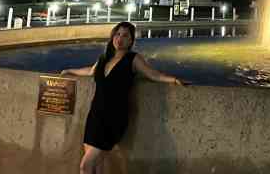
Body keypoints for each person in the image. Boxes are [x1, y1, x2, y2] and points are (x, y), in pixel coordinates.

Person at [60, 21, 184, 174]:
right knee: (97, 167)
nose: (120, 38)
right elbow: (90, 71)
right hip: (95, 116)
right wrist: (69, 70)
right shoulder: (104, 58)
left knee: (85, 166)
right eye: (117, 34)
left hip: (114, 118)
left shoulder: (133, 59)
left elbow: (153, 74)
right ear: (113, 36)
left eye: (125, 36)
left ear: (131, 40)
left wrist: (172, 79)